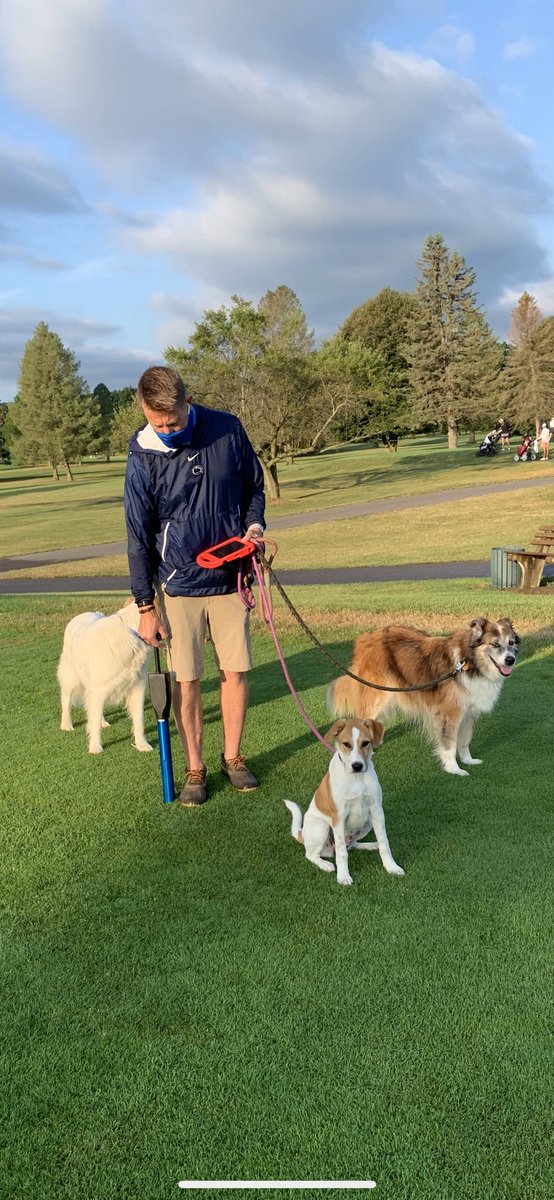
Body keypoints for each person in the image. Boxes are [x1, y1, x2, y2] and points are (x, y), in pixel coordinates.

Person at [124, 366, 266, 806]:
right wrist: (146, 606)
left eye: (174, 421)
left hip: (229, 576)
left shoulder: (227, 429)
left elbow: (253, 488)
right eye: (157, 422)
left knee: (234, 672)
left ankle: (234, 757)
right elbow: (137, 532)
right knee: (187, 680)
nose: (166, 430)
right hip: (178, 584)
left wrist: (255, 528)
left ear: (188, 401)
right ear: (145, 410)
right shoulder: (143, 451)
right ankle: (194, 768)